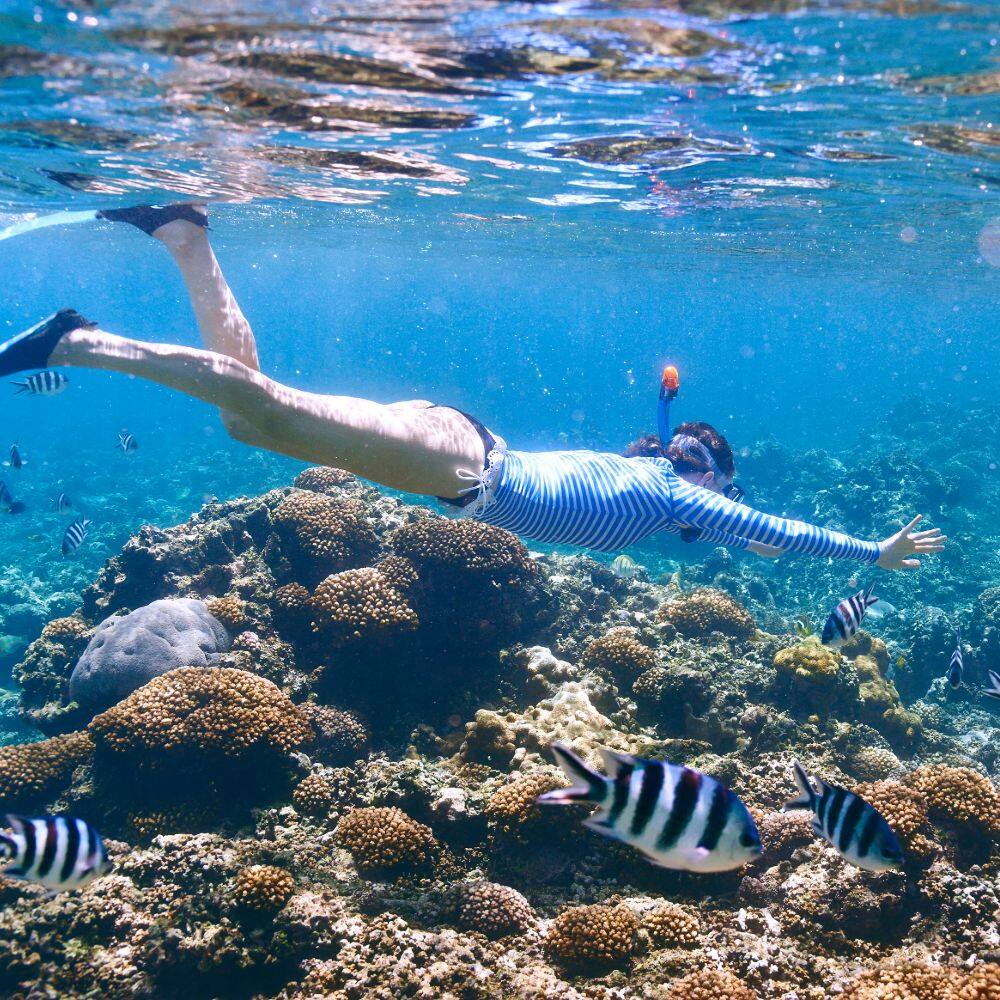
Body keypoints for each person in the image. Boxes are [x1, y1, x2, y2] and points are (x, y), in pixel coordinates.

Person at [0, 203, 945, 570]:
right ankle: (79, 343)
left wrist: (706, 496)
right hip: (465, 465)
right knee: (268, 410)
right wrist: (871, 549)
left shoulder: (658, 493)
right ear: (697, 475)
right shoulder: (664, 488)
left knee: (254, 417)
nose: (712, 493)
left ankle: (183, 235)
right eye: (710, 477)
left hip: (464, 455)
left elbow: (736, 529)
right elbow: (766, 528)